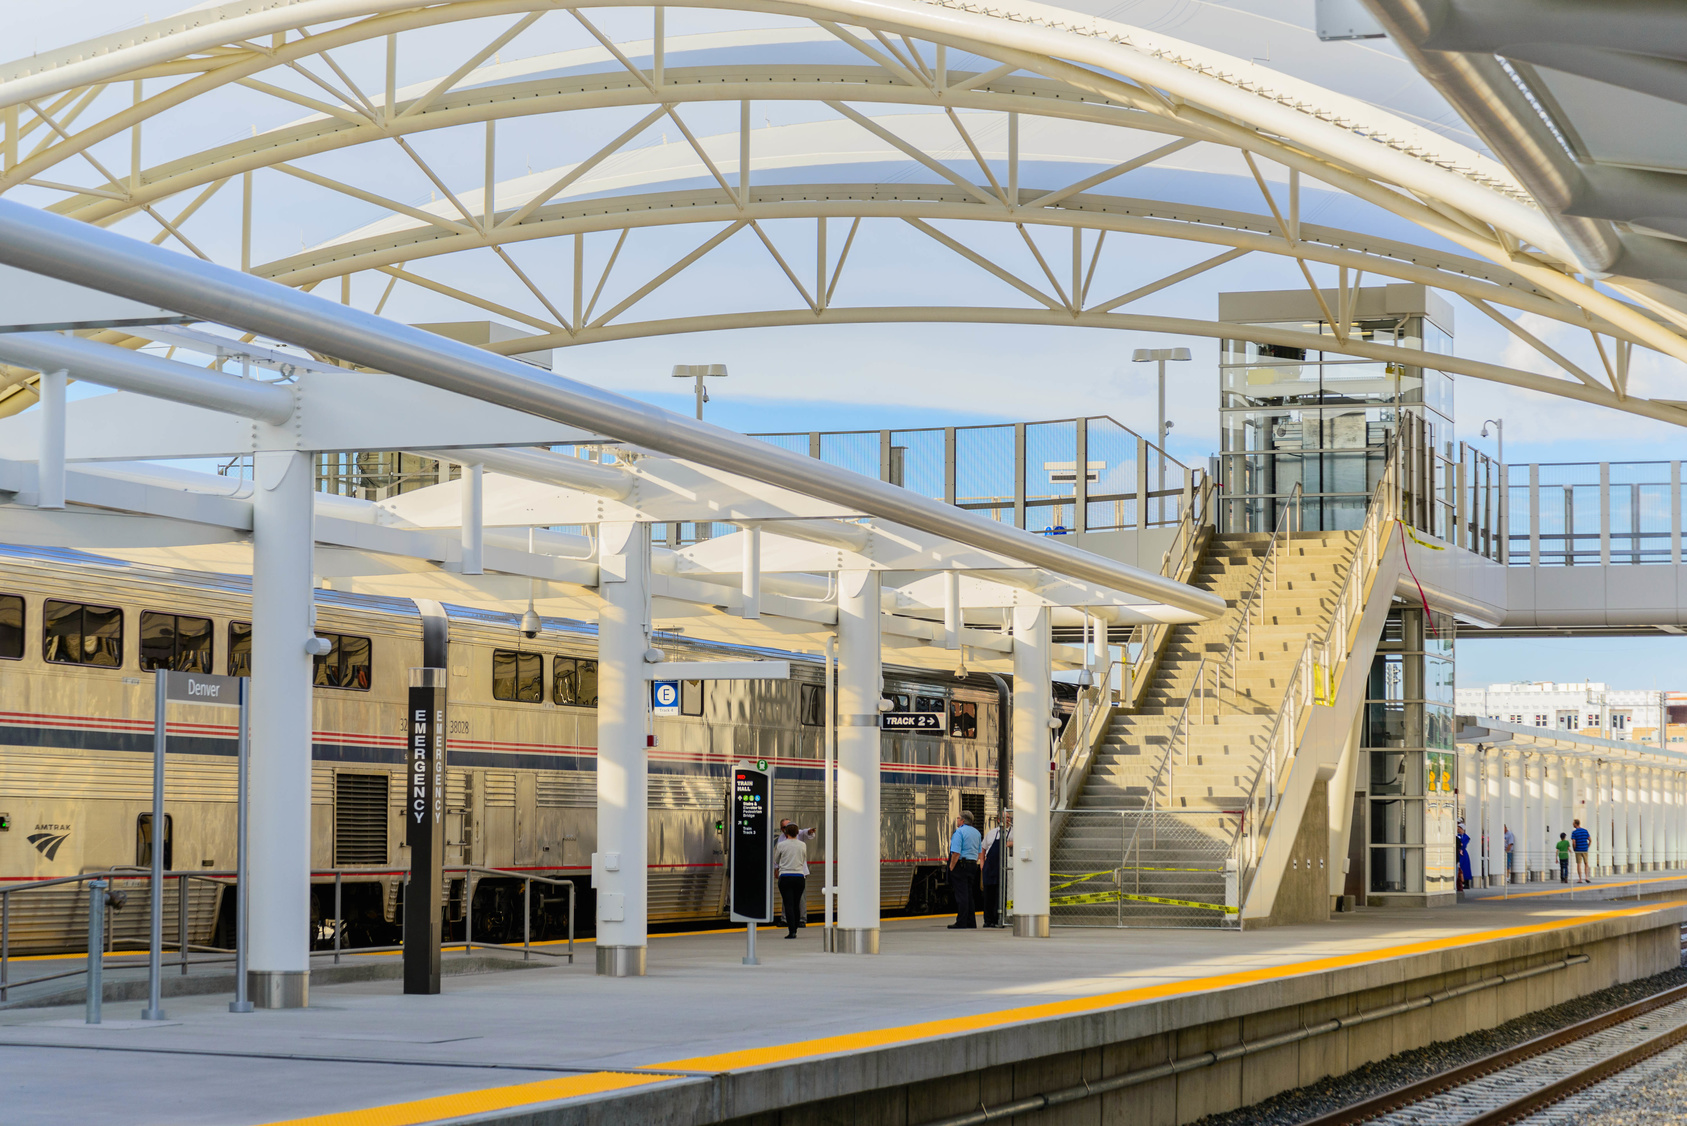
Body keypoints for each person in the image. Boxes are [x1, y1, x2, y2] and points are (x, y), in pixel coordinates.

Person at [772, 820, 814, 927]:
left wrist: (809, 831)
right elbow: (803, 857)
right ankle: (788, 920)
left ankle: (800, 920)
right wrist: (776, 868)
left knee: (792, 899)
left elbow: (776, 858)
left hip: (787, 874)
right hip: (799, 873)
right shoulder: (801, 844)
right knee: (792, 899)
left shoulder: (783, 843)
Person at [947, 811, 982, 929]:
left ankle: (961, 922)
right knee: (969, 894)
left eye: (958, 818)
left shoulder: (959, 832)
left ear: (962, 820)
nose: (957, 821)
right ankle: (971, 922)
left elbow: (956, 852)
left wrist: (951, 867)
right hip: (972, 865)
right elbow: (979, 851)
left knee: (961, 895)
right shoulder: (977, 832)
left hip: (961, 865)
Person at [980, 813, 1012, 928]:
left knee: (1001, 894)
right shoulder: (991, 833)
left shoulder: (1013, 832)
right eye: (1005, 817)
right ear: (999, 820)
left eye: (1009, 818)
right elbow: (983, 848)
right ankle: (988, 920)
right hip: (990, 867)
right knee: (988, 894)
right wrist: (982, 863)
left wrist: (1010, 843)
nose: (1008, 819)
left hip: (1004, 868)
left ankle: (999, 919)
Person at [1571, 819, 1592, 883]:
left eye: (1573, 823)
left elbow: (1574, 842)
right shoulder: (1585, 831)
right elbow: (1590, 840)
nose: (1572, 824)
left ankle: (1580, 879)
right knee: (1586, 863)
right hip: (1585, 849)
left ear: (1575, 824)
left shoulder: (1574, 832)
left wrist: (1574, 849)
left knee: (1579, 864)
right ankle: (1586, 877)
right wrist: (1587, 846)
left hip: (1578, 850)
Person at [1456, 822, 1472, 891]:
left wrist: (1461, 848)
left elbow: (1464, 844)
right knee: (1460, 867)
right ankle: (1461, 882)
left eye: (1459, 829)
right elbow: (1460, 844)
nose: (1458, 830)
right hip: (1459, 853)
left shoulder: (1466, 837)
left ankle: (1466, 883)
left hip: (1463, 854)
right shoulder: (1458, 836)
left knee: (1465, 868)